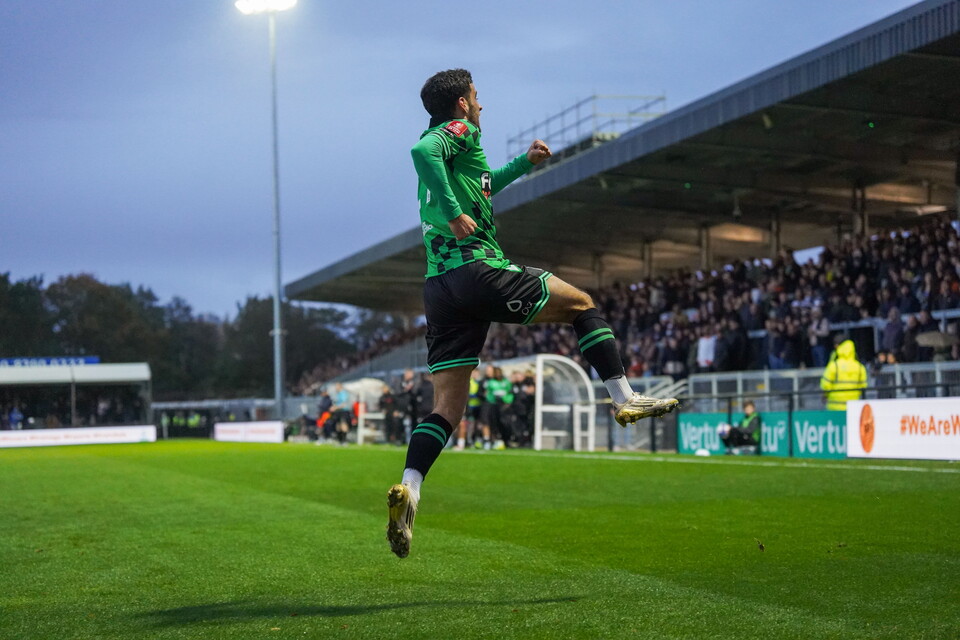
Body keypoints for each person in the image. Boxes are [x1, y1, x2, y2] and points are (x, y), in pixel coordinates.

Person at [386, 68, 678, 559]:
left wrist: (523, 163)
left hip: (439, 288)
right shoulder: (457, 131)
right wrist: (455, 213)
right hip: (477, 268)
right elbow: (421, 153)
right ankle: (625, 398)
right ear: (462, 103)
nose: (481, 104)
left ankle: (410, 489)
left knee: (448, 408)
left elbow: (483, 185)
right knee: (581, 304)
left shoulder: (458, 152)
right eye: (476, 95)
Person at [819, 339, 868, 411]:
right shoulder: (860, 367)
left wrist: (825, 395)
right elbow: (863, 386)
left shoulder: (834, 366)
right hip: (853, 407)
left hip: (834, 407)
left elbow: (826, 385)